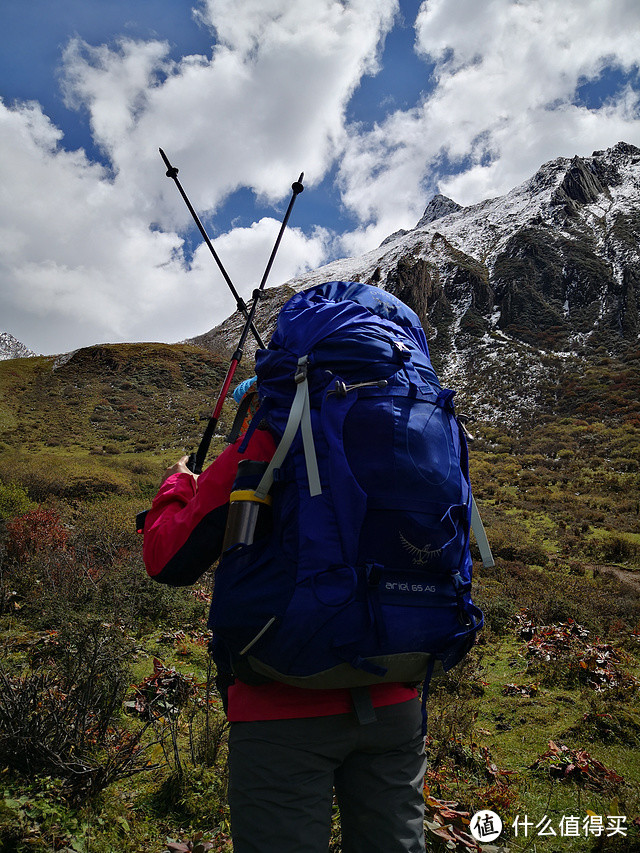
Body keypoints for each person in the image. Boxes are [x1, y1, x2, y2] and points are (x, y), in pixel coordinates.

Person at [143, 387, 428, 853]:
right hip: (397, 696)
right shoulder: (405, 438)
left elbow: (166, 558)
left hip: (282, 707)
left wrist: (177, 485)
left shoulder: (265, 437)